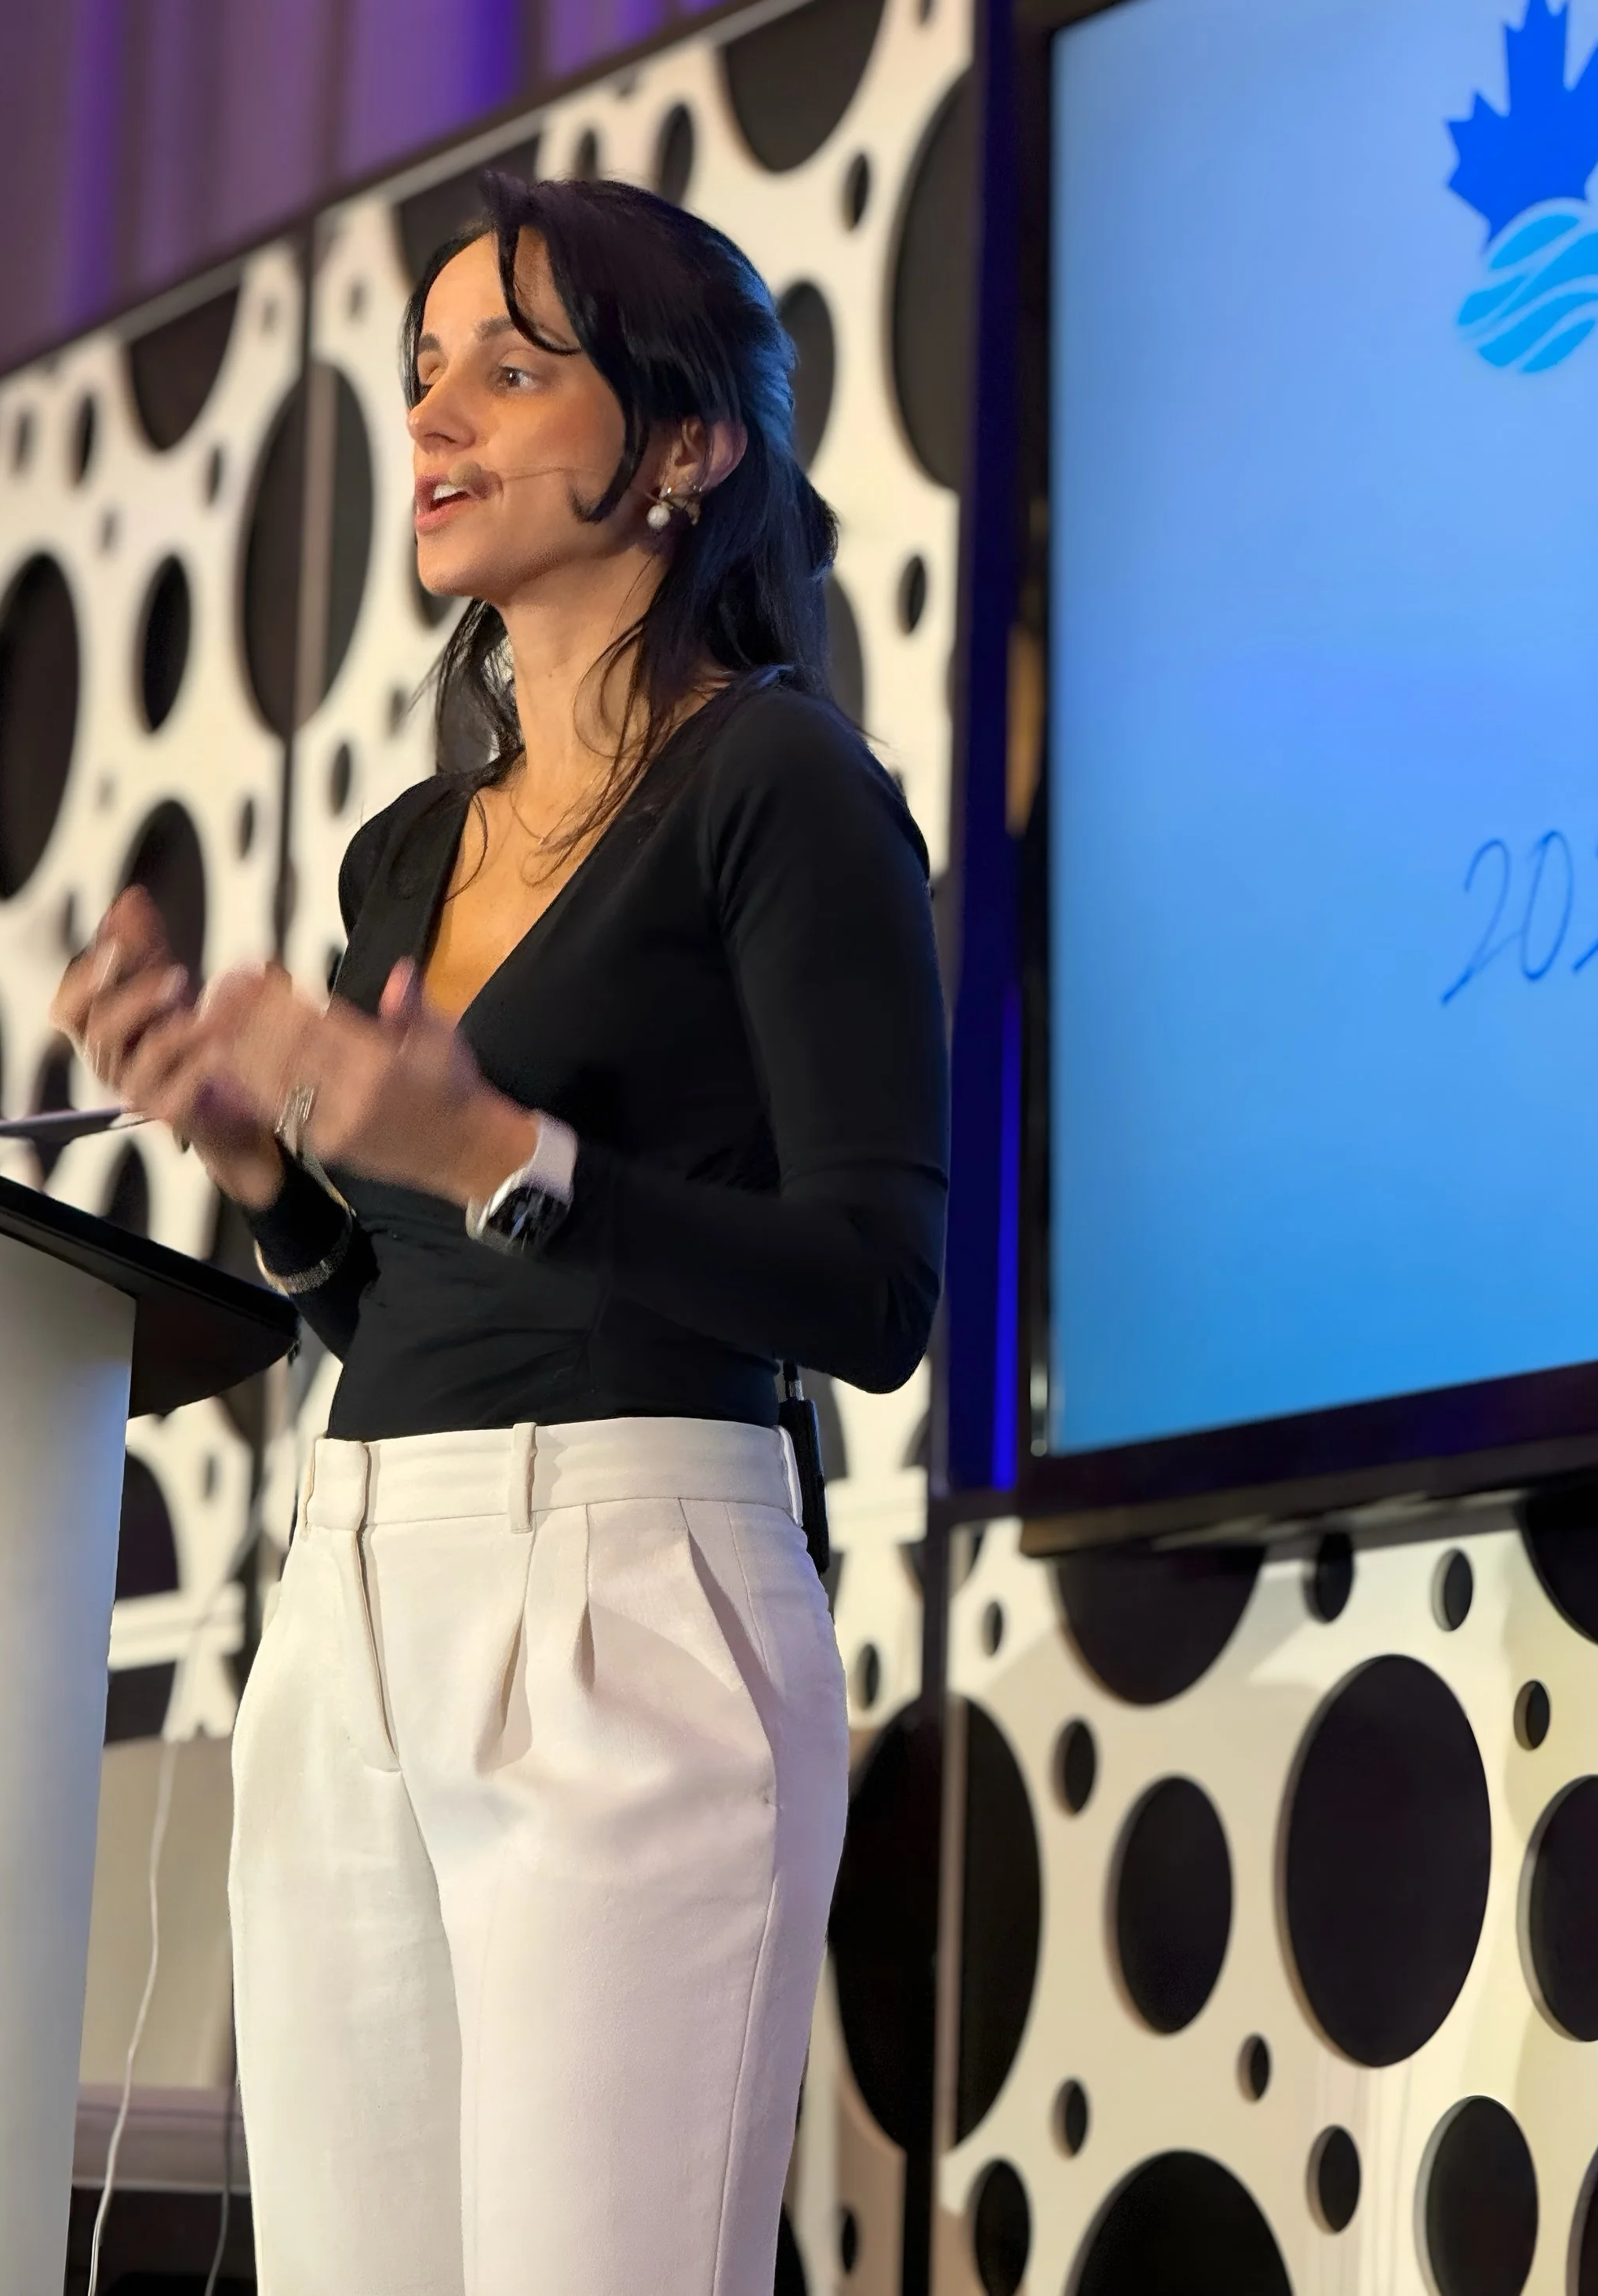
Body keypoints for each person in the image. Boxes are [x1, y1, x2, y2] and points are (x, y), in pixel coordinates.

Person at [53, 169, 949, 2296]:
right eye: (423, 368)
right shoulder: (400, 853)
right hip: (356, 1599)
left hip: (632, 1601)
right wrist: (263, 1170)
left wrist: (503, 1151)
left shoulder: (782, 786)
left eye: (513, 368)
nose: (437, 414)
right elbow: (384, 1302)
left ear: (688, 445)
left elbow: (877, 1291)